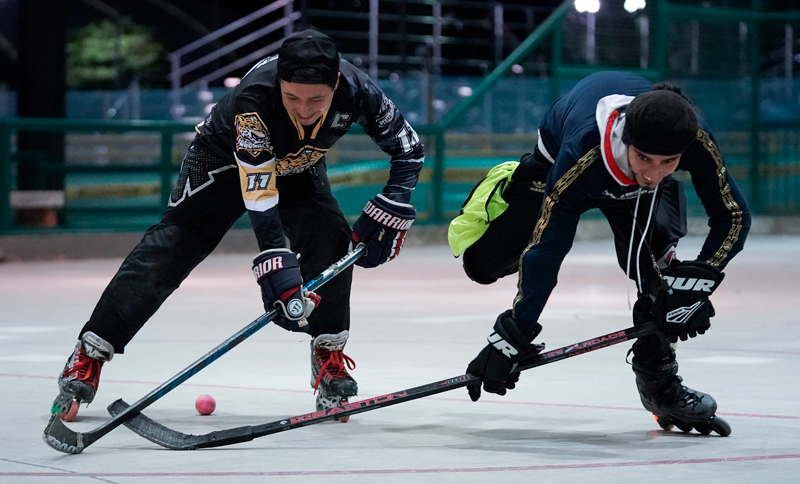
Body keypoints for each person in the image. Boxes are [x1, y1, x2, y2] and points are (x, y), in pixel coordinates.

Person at [53, 29, 424, 421]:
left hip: (297, 168)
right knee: (171, 248)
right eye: (292, 97)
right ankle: (90, 352)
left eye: (317, 99)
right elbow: (259, 189)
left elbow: (409, 149)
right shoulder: (254, 98)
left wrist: (392, 204)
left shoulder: (360, 91)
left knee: (331, 238)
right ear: (279, 83)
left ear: (336, 84)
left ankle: (328, 355)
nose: (304, 109)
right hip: (221, 166)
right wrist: (276, 260)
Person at [449, 71, 750, 433]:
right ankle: (510, 183)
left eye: (669, 162)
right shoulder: (582, 154)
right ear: (626, 139)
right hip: (559, 168)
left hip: (627, 190)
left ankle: (660, 384)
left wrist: (696, 283)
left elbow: (732, 215)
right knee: (482, 265)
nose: (655, 174)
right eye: (645, 158)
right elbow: (549, 249)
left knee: (660, 280)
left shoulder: (694, 137)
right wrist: (513, 335)